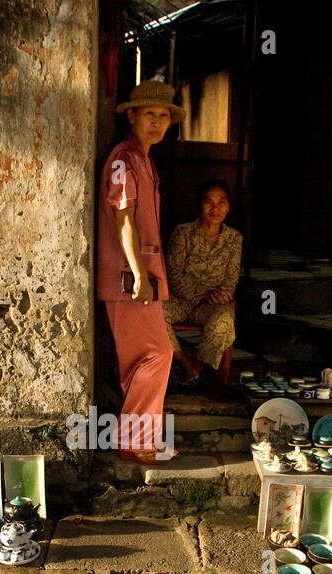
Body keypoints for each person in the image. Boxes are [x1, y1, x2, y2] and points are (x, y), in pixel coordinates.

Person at [96, 80, 183, 465]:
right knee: (158, 353)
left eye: (164, 115)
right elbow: (124, 219)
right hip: (128, 280)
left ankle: (139, 439)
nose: (157, 122)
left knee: (142, 358)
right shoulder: (123, 157)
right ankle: (132, 440)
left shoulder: (144, 159)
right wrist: (140, 275)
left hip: (141, 276)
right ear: (132, 115)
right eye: (150, 114)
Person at [164, 180, 242, 382]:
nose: (215, 208)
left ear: (228, 206)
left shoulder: (234, 238)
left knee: (225, 318)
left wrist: (223, 294)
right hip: (180, 301)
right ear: (200, 205)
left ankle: (198, 365)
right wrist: (203, 293)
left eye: (221, 202)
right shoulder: (183, 233)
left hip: (210, 305)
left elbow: (231, 277)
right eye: (209, 202)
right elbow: (173, 275)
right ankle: (182, 360)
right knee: (153, 311)